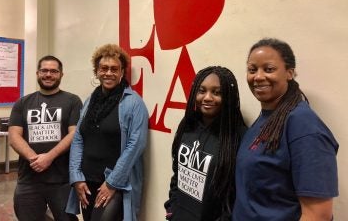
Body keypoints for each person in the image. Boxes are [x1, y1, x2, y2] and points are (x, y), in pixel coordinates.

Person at [232, 38, 339, 220]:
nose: (258, 76)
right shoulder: (267, 117)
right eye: (252, 69)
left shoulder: (303, 126)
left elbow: (318, 215)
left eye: (269, 69)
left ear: (289, 73)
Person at [66, 44, 149, 221]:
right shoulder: (91, 100)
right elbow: (79, 137)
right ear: (96, 71)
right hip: (86, 181)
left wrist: (112, 183)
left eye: (114, 69)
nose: (108, 73)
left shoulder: (134, 103)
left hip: (114, 184)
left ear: (122, 72)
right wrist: (76, 177)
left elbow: (136, 145)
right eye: (104, 68)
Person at [164, 66, 247, 221]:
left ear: (228, 97)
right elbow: (178, 173)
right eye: (202, 91)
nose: (207, 97)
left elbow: (237, 195)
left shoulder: (238, 136)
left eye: (217, 92)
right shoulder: (188, 126)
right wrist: (172, 207)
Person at [8, 55, 83, 221]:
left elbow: (74, 134)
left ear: (61, 75)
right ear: (37, 73)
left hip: (62, 180)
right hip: (28, 180)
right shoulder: (22, 103)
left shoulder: (72, 101)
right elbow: (14, 136)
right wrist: (35, 159)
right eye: (44, 70)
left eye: (54, 71)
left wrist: (49, 157)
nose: (48, 74)